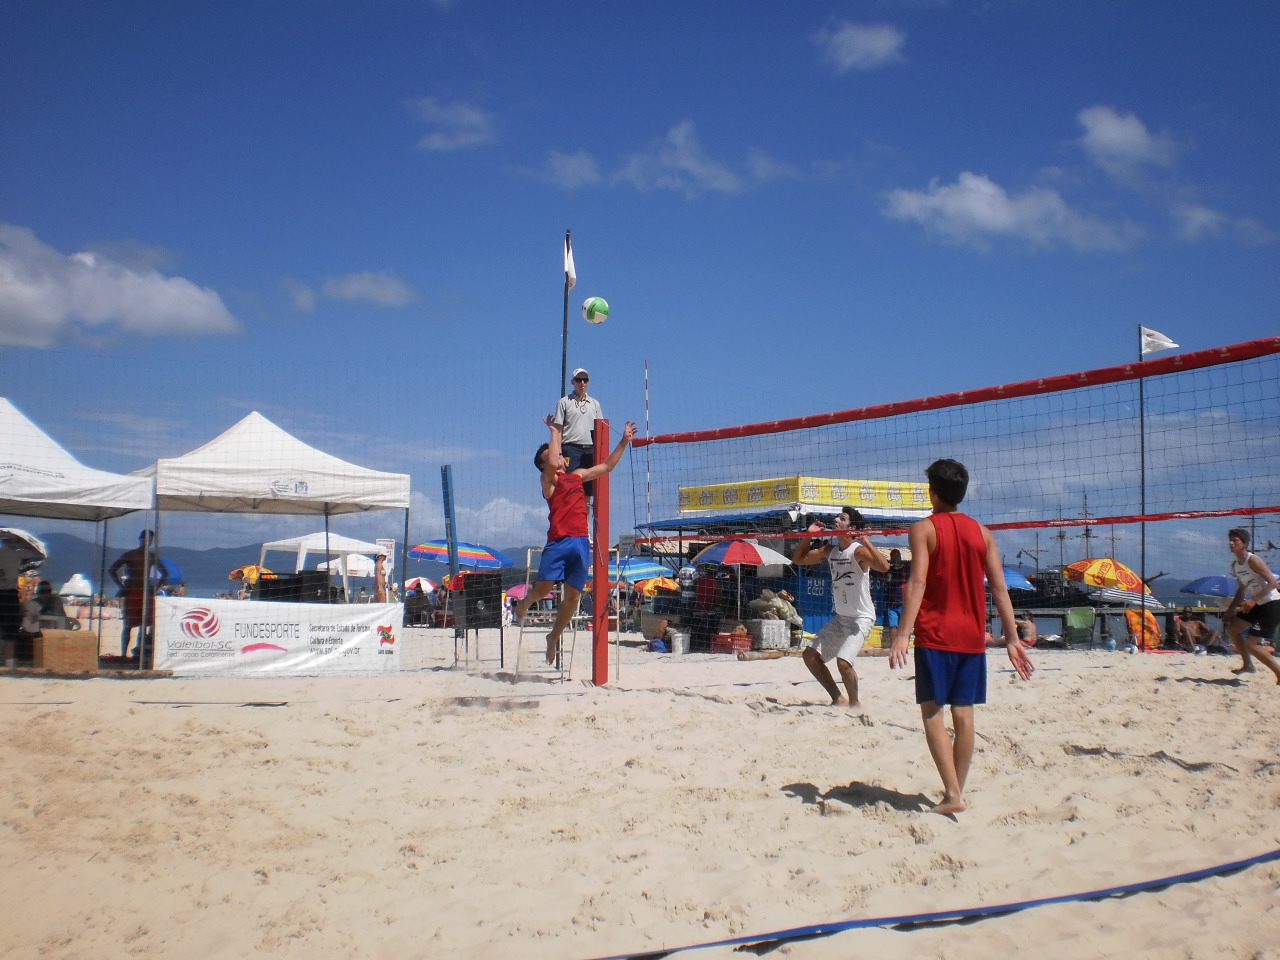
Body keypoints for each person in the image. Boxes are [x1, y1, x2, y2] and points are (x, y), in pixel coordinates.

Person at [890, 459, 1033, 815]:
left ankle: (953, 794)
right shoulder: (983, 533)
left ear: (932, 492)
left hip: (936, 633)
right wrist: (1012, 638)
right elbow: (999, 588)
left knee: (932, 713)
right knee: (964, 714)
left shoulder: (923, 529)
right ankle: (956, 792)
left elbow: (918, 582)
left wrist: (902, 634)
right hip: (971, 635)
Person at [515, 415, 638, 664]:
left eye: (559, 453)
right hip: (559, 543)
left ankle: (553, 637)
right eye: (554, 454)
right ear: (545, 464)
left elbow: (607, 467)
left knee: (573, 597)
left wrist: (624, 441)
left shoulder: (578, 475)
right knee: (542, 591)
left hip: (581, 542)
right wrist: (554, 432)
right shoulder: (548, 481)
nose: (560, 456)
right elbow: (552, 463)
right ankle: (526, 601)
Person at [792, 507, 890, 717]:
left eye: (842, 518)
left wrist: (866, 541)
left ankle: (855, 706)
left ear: (851, 527)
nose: (836, 520)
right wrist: (809, 535)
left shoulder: (858, 551)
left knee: (843, 663)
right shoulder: (830, 551)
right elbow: (799, 559)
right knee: (809, 655)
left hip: (861, 619)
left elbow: (884, 567)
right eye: (838, 517)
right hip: (842, 618)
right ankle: (838, 698)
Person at [1224, 527, 1280, 682]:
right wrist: (1231, 609)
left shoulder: (1253, 560)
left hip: (1272, 603)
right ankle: (1248, 665)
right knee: (1232, 629)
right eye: (1230, 540)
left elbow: (1273, 583)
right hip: (1258, 604)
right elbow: (1242, 590)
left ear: (1244, 544)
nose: (1231, 543)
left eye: (1235, 540)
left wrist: (1253, 600)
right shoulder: (1235, 565)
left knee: (1252, 644)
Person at [109, 530, 169, 659]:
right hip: (133, 591)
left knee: (144, 624)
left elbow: (165, 573)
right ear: (140, 539)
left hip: (145, 592)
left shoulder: (150, 556)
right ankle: (124, 654)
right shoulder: (131, 554)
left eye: (150, 540)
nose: (147, 542)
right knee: (128, 625)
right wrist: (122, 586)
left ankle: (138, 652)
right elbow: (111, 569)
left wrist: (155, 587)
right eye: (146, 539)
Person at [552, 367, 604, 498]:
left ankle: (585, 512)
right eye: (579, 380)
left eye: (585, 380)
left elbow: (601, 429)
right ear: (573, 382)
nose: (582, 383)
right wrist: (559, 454)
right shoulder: (564, 402)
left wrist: (600, 454)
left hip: (590, 450)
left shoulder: (595, 404)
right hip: (570, 449)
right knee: (571, 487)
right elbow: (558, 430)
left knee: (588, 490)